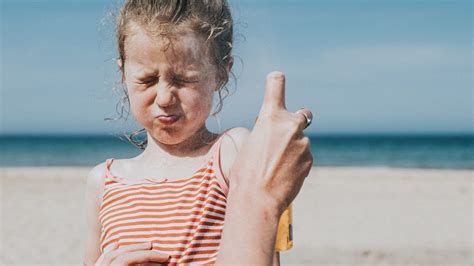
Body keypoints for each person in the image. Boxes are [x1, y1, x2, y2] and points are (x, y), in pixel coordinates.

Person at [84, 1, 313, 265]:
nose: (164, 98)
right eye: (146, 79)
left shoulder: (231, 153)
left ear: (221, 72)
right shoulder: (103, 182)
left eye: (184, 79)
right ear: (123, 72)